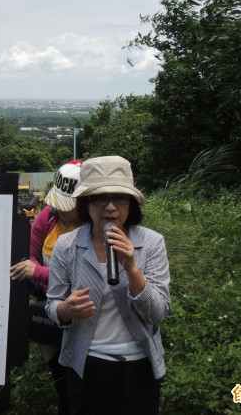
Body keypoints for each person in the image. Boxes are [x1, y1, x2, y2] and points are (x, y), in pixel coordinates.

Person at [45, 156, 170, 415]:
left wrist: (132, 268)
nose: (111, 208)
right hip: (86, 364)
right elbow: (52, 306)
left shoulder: (152, 243)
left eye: (120, 198)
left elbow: (158, 313)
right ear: (85, 203)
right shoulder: (67, 246)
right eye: (100, 198)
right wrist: (65, 310)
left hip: (139, 367)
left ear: (131, 203)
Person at [10, 159, 84, 415]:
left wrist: (39, 273)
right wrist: (37, 272)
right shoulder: (49, 216)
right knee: (62, 382)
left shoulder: (93, 228)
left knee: (80, 383)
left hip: (81, 316)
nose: (60, 208)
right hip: (49, 309)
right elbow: (32, 255)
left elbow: (85, 279)